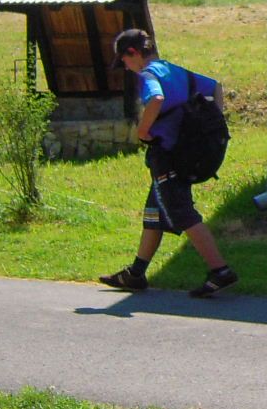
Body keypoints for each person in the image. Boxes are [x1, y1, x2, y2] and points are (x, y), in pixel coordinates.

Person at [97, 29, 238, 297]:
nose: (125, 66)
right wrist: (214, 120)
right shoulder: (175, 71)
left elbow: (157, 98)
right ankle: (136, 274)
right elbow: (214, 86)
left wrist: (143, 130)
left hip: (169, 156)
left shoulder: (148, 75)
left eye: (124, 60)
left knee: (182, 212)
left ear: (133, 53)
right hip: (188, 152)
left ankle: (220, 271)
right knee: (154, 213)